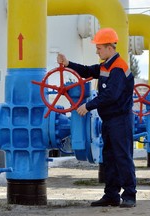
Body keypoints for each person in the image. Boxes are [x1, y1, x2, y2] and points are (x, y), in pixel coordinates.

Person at [57, 27, 136, 208]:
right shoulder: (105, 66)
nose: (96, 51)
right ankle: (111, 195)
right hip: (110, 120)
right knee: (109, 157)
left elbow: (111, 95)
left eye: (99, 48)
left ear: (110, 47)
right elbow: (86, 71)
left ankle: (130, 195)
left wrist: (88, 106)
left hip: (120, 120)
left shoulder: (118, 68)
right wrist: (68, 63)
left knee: (122, 157)